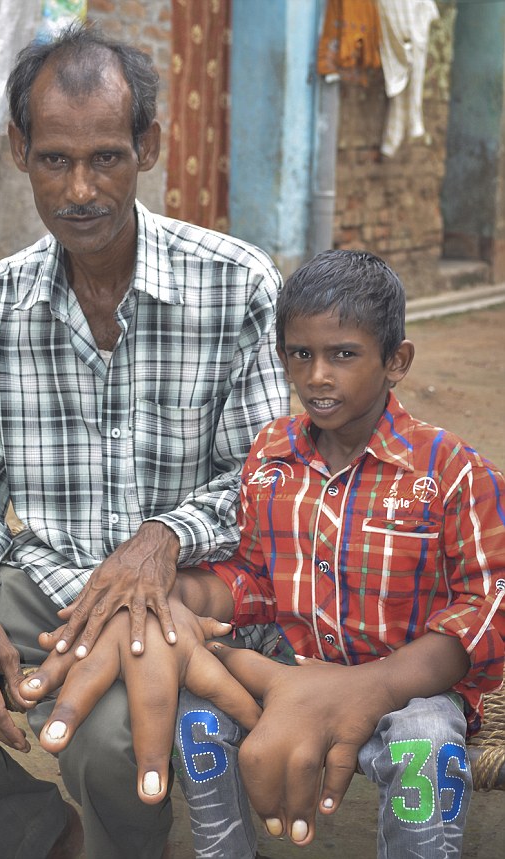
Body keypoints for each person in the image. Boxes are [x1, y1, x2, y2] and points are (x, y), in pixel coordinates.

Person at [0, 23, 289, 859]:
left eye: (107, 157)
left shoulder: (236, 283)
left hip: (190, 596)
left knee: (105, 748)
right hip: (51, 580)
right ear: (21, 150)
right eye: (55, 159)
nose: (81, 189)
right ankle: (36, 839)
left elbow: (266, 480)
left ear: (150, 147)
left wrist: (165, 536)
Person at [167, 249, 505, 858]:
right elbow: (254, 579)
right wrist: (186, 594)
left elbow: (487, 607)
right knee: (197, 710)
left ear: (395, 361)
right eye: (302, 354)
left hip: (407, 690)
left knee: (426, 743)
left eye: (343, 355)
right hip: (288, 675)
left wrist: (376, 686)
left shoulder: (451, 470)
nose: (318, 375)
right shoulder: (271, 456)